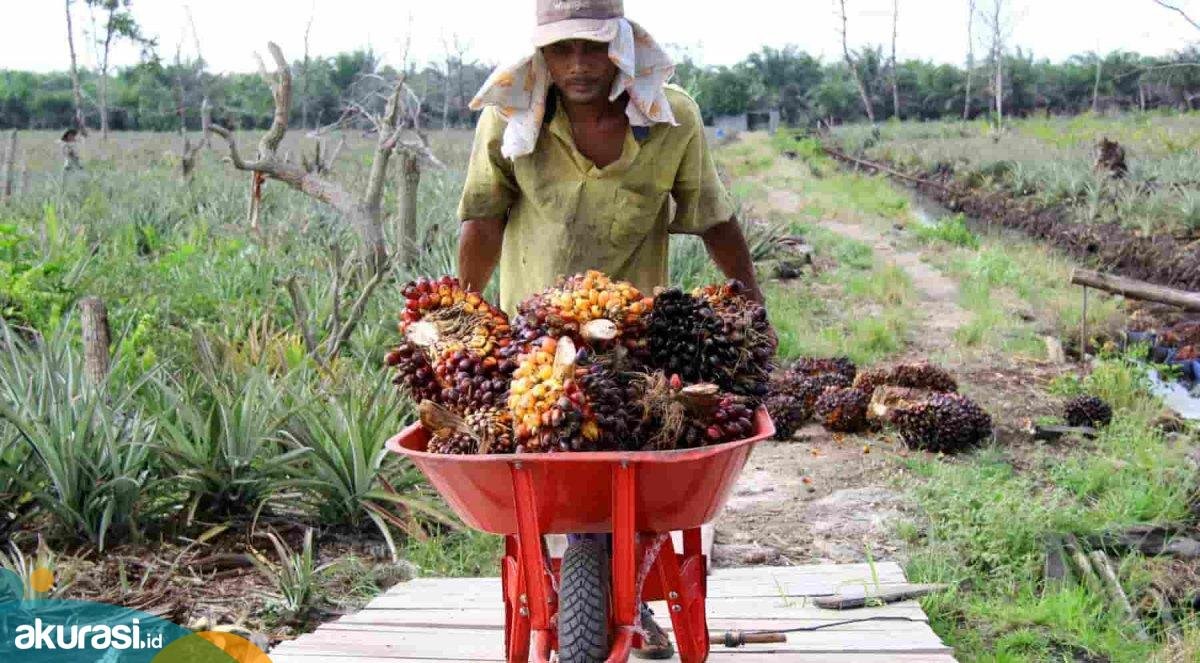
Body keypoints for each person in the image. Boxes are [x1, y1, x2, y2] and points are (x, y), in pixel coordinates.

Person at [456, 1, 765, 658]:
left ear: (622, 45)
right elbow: (482, 221)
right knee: (553, 482)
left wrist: (753, 303)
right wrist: (463, 315)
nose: (577, 66)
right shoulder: (512, 116)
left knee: (634, 474)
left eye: (592, 49)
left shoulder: (670, 119)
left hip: (634, 347)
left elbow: (713, 219)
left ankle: (629, 596)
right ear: (542, 51)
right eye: (561, 50)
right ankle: (565, 596)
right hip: (534, 349)